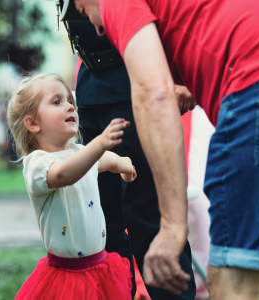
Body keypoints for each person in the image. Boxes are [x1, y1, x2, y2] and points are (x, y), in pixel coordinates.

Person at [58, 0, 259, 299]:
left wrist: (172, 228)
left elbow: (156, 96)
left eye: (84, 14)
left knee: (233, 279)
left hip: (257, 83)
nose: (99, 30)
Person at [66, 20, 196, 300]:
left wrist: (179, 73)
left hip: (135, 80)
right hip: (90, 83)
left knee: (146, 210)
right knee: (99, 219)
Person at [7, 73, 137, 300]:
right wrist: (98, 144)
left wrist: (125, 166)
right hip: (65, 279)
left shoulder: (80, 152)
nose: (69, 106)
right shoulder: (37, 164)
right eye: (57, 102)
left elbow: (108, 160)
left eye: (70, 101)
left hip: (101, 270)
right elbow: (64, 174)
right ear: (33, 123)